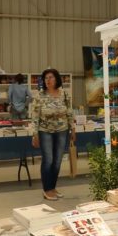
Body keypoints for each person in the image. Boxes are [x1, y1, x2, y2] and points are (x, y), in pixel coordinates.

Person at [30, 68, 74, 201]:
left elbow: (70, 112)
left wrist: (73, 129)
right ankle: (47, 190)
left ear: (56, 79)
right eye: (46, 78)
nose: (48, 80)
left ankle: (53, 187)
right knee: (48, 160)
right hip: (45, 131)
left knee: (57, 161)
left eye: (51, 77)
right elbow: (35, 116)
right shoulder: (39, 96)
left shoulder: (65, 94)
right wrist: (35, 134)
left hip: (62, 130)